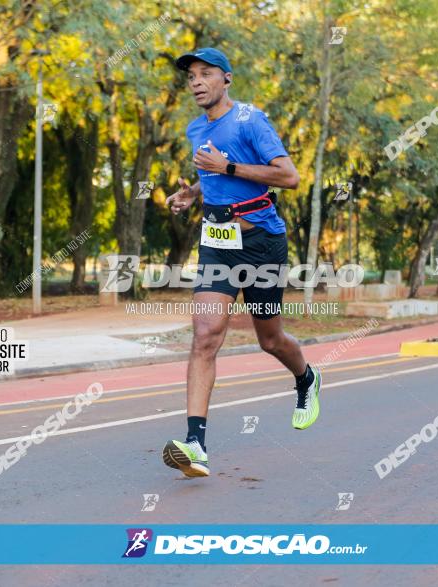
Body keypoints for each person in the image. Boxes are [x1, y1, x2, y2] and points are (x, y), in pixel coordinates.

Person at [161, 47, 319, 478]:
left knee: (270, 339)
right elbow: (210, 174)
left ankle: (306, 378)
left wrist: (227, 165)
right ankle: (196, 444)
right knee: (205, 335)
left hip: (262, 242)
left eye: (205, 74)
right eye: (191, 75)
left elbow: (288, 176)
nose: (196, 81)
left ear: (226, 79)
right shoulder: (196, 127)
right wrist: (191, 193)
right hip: (217, 244)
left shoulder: (251, 119)